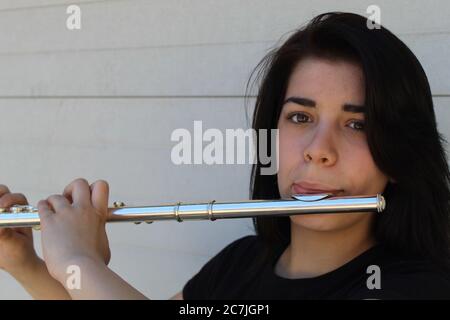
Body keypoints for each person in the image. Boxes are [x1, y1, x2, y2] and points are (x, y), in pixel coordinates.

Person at [1, 12, 449, 299]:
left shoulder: (415, 286)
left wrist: (80, 262)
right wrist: (32, 265)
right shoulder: (240, 263)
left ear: (399, 150)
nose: (319, 150)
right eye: (299, 118)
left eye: (358, 124)